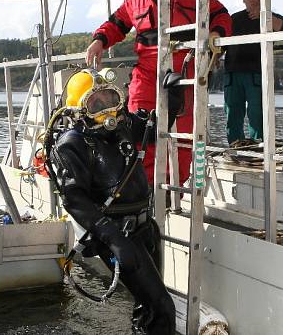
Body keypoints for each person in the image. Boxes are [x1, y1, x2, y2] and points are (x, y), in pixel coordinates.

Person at [44, 68, 183, 334]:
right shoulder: (71, 144)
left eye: (111, 99)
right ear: (80, 110)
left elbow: (153, 130)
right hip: (117, 233)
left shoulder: (124, 125)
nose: (107, 109)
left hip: (144, 227)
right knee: (162, 306)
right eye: (97, 104)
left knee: (148, 303)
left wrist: (173, 96)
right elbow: (74, 200)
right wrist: (114, 239)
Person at [85, 0, 231, 185]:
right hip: (146, 74)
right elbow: (117, 23)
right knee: (138, 130)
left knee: (184, 136)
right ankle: (145, 189)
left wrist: (216, 34)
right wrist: (99, 40)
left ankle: (174, 188)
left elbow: (220, 15)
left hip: (184, 72)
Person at [223, 0, 283, 145]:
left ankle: (259, 153)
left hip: (257, 73)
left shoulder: (271, 18)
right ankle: (236, 150)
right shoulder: (233, 19)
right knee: (232, 115)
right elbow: (219, 45)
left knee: (258, 116)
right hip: (232, 75)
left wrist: (266, 17)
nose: (255, 0)